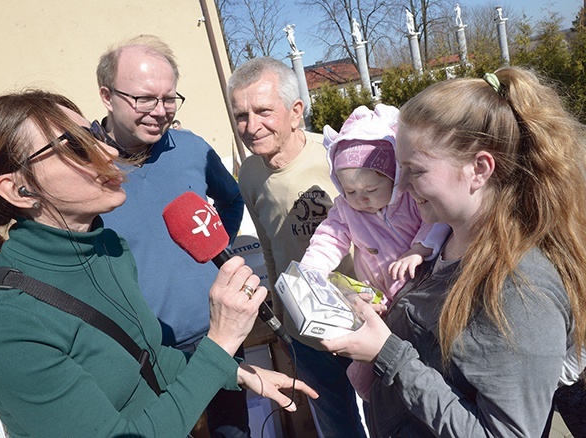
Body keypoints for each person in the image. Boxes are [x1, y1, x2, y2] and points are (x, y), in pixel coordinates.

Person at [0, 90, 318, 438]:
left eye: (93, 132)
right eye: (76, 145)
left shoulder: (108, 247)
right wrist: (220, 344)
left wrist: (234, 371)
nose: (107, 151)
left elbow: (150, 361)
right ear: (18, 189)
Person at [321, 67, 586, 437]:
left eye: (414, 170)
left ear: (479, 168)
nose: (401, 183)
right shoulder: (442, 238)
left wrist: (387, 353)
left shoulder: (520, 291)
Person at [95, 35, 249, 436]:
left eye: (169, 99)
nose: (160, 112)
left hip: (220, 333)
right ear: (107, 95)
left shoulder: (191, 148)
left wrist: (216, 253)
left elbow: (231, 200)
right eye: (144, 99)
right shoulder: (82, 168)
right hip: (141, 352)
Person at [228, 56, 367, 438]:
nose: (251, 127)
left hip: (365, 316)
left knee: (391, 414)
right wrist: (282, 313)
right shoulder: (251, 173)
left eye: (263, 111)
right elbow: (269, 245)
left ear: (295, 112)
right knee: (337, 423)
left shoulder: (336, 156)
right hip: (306, 329)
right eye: (240, 115)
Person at [299, 104, 448, 402]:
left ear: (393, 177)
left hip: (421, 293)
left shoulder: (408, 198)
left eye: (370, 188)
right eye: (350, 191)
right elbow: (329, 237)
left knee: (427, 356)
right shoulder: (346, 209)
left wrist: (419, 249)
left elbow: (437, 218)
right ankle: (378, 402)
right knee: (364, 371)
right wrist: (312, 270)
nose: (361, 199)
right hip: (379, 299)